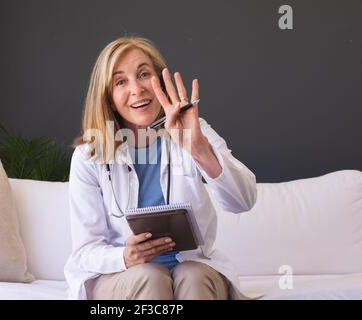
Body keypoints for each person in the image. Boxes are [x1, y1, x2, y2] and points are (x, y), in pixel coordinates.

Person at [64, 36, 257, 300]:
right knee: (151, 276)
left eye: (144, 74)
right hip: (120, 277)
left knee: (193, 275)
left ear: (161, 83)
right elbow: (86, 251)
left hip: (191, 270)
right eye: (121, 81)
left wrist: (198, 149)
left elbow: (243, 201)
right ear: (108, 97)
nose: (136, 89)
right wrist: (124, 256)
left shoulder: (193, 130)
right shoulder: (89, 155)